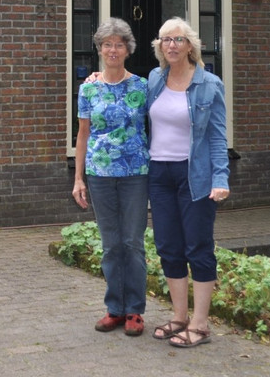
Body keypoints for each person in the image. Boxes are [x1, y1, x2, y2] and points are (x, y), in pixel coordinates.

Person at [145, 17, 230, 348]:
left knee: (198, 247)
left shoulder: (209, 84)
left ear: (190, 45)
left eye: (178, 39)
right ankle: (180, 317)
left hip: (195, 175)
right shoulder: (155, 79)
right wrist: (98, 77)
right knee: (168, 246)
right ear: (159, 46)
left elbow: (217, 136)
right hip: (159, 173)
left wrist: (220, 178)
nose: (171, 45)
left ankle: (201, 324)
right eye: (166, 39)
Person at [72, 17, 150, 337]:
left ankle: (134, 310)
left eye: (119, 44)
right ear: (100, 49)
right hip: (100, 175)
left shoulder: (143, 86)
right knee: (110, 244)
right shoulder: (88, 88)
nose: (113, 50)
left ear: (128, 49)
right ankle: (115, 308)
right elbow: (82, 134)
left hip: (135, 174)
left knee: (132, 243)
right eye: (107, 44)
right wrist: (78, 178)